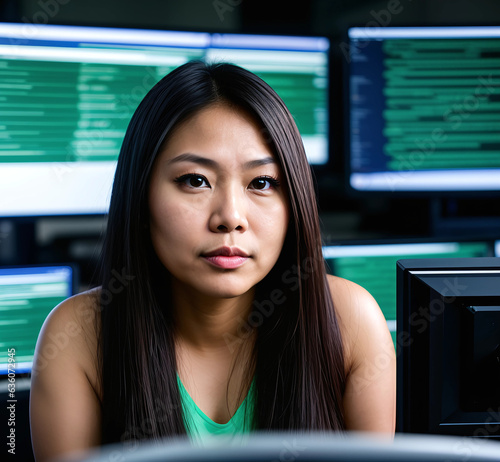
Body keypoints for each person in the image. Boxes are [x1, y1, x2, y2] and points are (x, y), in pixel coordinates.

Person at [29, 61, 396, 462]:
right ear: (141, 193)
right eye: (195, 180)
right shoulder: (78, 336)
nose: (230, 217)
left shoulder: (351, 322)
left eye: (262, 183)